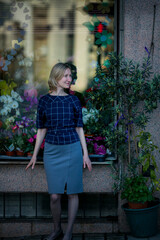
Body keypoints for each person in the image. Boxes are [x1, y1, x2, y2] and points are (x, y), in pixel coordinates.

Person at [26, 63, 92, 240]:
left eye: (70, 76)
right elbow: (41, 130)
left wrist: (85, 154)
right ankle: (57, 229)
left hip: (72, 148)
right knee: (55, 195)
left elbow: (79, 129)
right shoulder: (45, 101)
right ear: (55, 77)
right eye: (66, 76)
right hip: (52, 151)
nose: (69, 79)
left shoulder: (74, 100)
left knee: (72, 193)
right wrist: (34, 155)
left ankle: (68, 232)